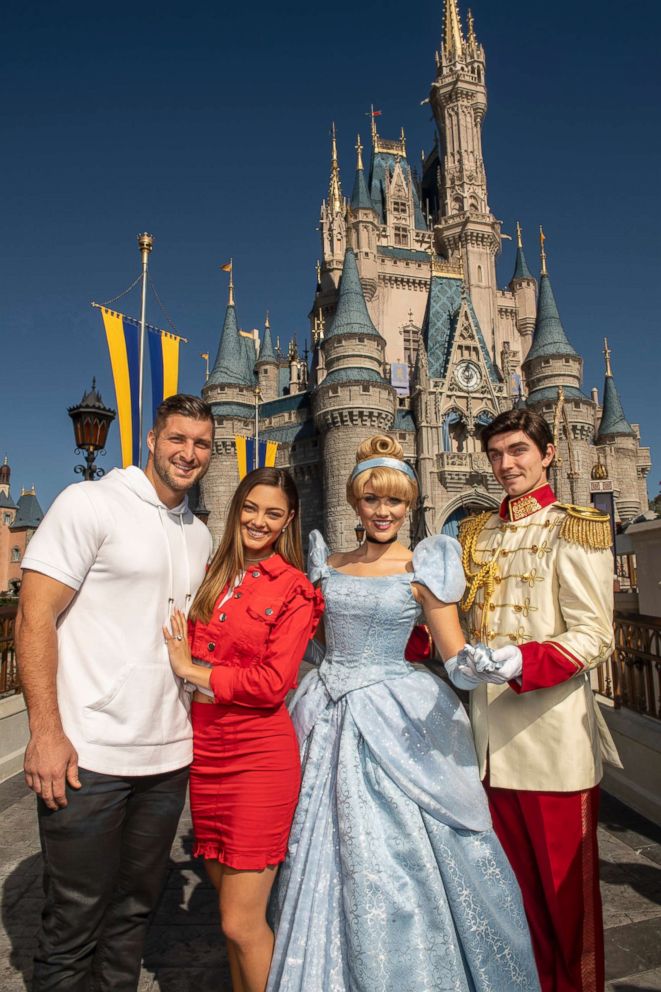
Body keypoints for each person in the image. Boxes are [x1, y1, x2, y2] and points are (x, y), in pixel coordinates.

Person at [266, 435, 540, 992]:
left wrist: (492, 664)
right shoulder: (327, 561)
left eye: (394, 501)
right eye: (371, 500)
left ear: (409, 504)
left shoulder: (425, 564)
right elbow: (312, 648)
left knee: (398, 862)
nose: (383, 511)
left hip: (396, 716)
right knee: (312, 849)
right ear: (355, 503)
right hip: (324, 712)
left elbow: (453, 657)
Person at [16, 394, 214, 992]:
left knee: (132, 917)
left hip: (167, 756)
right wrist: (46, 733)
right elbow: (34, 619)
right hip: (90, 756)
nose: (189, 453)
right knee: (73, 924)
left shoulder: (200, 534)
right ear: (151, 440)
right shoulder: (91, 502)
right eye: (177, 439)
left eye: (202, 443)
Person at [455, 408, 619, 992]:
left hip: (551, 745)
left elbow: (595, 635)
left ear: (547, 454)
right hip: (490, 750)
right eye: (497, 454)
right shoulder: (477, 533)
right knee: (513, 901)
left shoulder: (572, 526)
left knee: (564, 907)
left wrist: (526, 660)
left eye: (519, 451)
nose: (506, 465)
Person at [163, 467, 323, 992]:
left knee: (242, 921)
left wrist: (194, 671)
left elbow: (274, 682)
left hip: (258, 756)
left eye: (273, 513)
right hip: (206, 752)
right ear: (236, 509)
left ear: (288, 521)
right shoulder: (210, 573)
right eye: (251, 508)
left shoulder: (295, 589)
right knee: (229, 922)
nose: (259, 521)